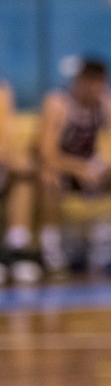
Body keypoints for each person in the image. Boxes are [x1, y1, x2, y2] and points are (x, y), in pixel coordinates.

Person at [36, 58, 111, 277]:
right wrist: (78, 168)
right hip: (63, 168)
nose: (96, 88)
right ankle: (51, 250)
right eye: (90, 82)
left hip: (88, 168)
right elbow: (46, 153)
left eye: (100, 82)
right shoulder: (58, 103)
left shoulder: (109, 103)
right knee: (48, 178)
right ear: (78, 81)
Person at [0, 81, 43, 284]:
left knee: (24, 177)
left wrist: (14, 160)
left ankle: (17, 247)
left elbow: (6, 139)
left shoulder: (3, 90)